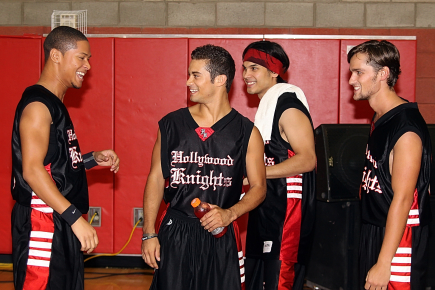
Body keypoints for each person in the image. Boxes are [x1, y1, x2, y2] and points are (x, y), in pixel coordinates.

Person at [141, 44, 266, 290]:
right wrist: (148, 233)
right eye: (189, 74)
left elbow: (259, 188)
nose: (188, 81)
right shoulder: (171, 124)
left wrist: (230, 213)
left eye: (196, 75)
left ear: (220, 79)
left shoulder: (247, 132)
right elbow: (156, 178)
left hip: (220, 230)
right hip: (175, 231)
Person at [11, 26, 120, 290]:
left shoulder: (55, 104)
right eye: (81, 57)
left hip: (58, 218)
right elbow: (33, 171)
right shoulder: (38, 106)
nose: (88, 65)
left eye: (89, 59)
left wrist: (92, 159)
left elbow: (56, 166)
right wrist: (74, 218)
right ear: (56, 56)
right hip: (43, 220)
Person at [348, 40, 431, 289]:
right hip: (377, 227)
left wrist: (385, 262)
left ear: (383, 74)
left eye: (359, 72)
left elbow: (404, 199)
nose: (352, 79)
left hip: (400, 234)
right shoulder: (381, 116)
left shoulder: (405, 128)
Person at [242, 41, 316, 290]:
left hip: (287, 213)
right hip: (264, 207)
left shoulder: (288, 107)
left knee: (279, 282)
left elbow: (307, 159)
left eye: (254, 68)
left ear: (274, 71)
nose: (246, 75)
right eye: (244, 69)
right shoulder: (266, 107)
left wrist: (256, 175)